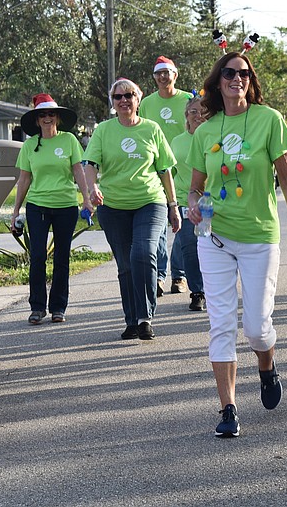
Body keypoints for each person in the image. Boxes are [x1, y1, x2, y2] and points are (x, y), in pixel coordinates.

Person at [186, 51, 287, 438]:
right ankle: (227, 408)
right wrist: (194, 206)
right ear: (217, 80)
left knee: (258, 328)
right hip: (215, 239)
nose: (236, 78)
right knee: (222, 324)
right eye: (228, 72)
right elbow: (195, 188)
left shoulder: (269, 120)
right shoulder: (205, 130)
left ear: (250, 80)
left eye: (243, 73)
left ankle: (266, 365)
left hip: (260, 237)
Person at [83, 78, 181, 341]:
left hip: (150, 201)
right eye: (118, 97)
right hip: (113, 206)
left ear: (138, 99)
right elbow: (90, 164)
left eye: (129, 95)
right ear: (113, 102)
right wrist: (92, 188)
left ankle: (145, 317)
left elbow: (164, 170)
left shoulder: (152, 129)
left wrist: (173, 206)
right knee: (125, 265)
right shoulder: (103, 131)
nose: (124, 100)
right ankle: (132, 320)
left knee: (143, 253)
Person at [12, 94, 93, 325]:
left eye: (50, 114)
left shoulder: (69, 140)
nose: (47, 118)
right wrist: (16, 211)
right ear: (37, 121)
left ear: (57, 117)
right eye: (42, 115)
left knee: (61, 258)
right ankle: (37, 307)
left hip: (66, 205)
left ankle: (58, 307)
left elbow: (78, 171)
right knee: (37, 256)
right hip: (37, 206)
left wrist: (86, 199)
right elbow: (24, 179)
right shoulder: (29, 146)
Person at [139, 56, 192, 297]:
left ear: (175, 75)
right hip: (156, 168)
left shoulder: (187, 100)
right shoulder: (147, 103)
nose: (162, 77)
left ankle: (178, 275)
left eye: (167, 72)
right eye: (158, 73)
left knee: (181, 222)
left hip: (184, 167)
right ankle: (159, 275)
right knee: (158, 224)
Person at [169, 93, 207, 311]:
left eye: (202, 112)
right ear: (186, 116)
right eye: (193, 112)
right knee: (190, 248)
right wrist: (171, 203)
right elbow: (170, 172)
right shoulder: (177, 142)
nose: (198, 116)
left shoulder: (213, 136)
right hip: (186, 201)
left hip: (212, 202)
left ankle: (215, 289)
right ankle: (197, 292)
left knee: (213, 247)